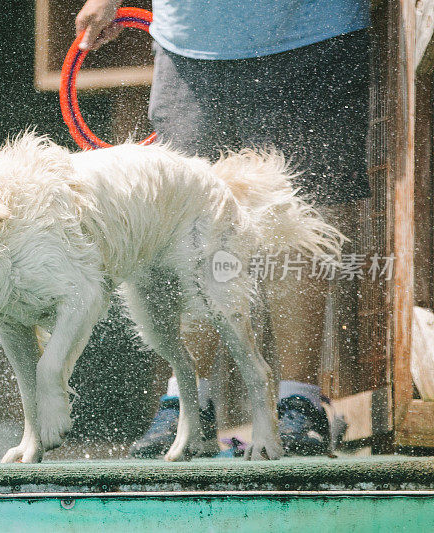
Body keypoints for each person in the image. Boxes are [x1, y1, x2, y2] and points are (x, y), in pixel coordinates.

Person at [75, 0, 370, 457]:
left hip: (311, 32)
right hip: (189, 46)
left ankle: (299, 404)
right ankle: (190, 403)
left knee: (300, 219)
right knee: (186, 232)